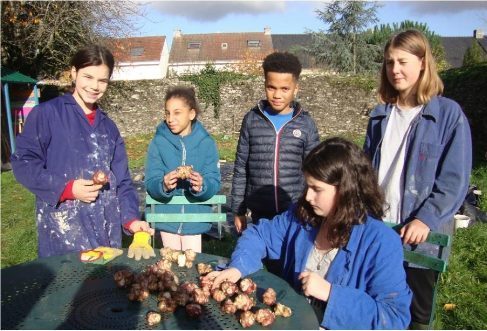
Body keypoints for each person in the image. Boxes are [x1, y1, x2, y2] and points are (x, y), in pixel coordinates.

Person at [206, 138, 412, 329]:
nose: (308, 196)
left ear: (345, 190)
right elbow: (259, 235)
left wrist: (331, 294)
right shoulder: (302, 217)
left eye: (317, 189)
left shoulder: (381, 243)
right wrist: (237, 268)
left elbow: (393, 317)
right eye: (307, 186)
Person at [364, 30, 472, 329]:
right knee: (377, 303)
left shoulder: (448, 115)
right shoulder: (380, 115)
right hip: (380, 228)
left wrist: (425, 219)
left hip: (420, 238)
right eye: (389, 63)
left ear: (423, 63)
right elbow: (365, 172)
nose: (394, 70)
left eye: (402, 61)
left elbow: (455, 180)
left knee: (417, 314)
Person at [11, 44, 154, 258]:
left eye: (102, 80)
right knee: (68, 290)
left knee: (104, 290)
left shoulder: (109, 128)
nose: (95, 86)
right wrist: (66, 188)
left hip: (106, 238)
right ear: (74, 73)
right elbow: (23, 163)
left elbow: (123, 182)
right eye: (88, 77)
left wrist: (131, 220)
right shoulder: (47, 114)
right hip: (64, 237)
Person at [231, 51, 320, 273]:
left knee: (292, 270)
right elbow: (241, 166)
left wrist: (313, 210)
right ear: (264, 85)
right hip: (261, 214)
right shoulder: (252, 120)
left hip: (295, 215)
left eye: (284, 89)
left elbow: (317, 174)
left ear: (296, 88)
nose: (277, 94)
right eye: (272, 87)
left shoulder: (306, 124)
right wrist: (238, 209)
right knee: (260, 274)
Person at [144, 86, 221, 253]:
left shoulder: (207, 144)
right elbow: (150, 182)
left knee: (192, 266)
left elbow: (214, 181)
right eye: (167, 113)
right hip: (166, 217)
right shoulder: (158, 143)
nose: (170, 119)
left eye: (177, 113)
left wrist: (202, 186)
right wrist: (163, 186)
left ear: (191, 114)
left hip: (195, 219)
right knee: (169, 268)